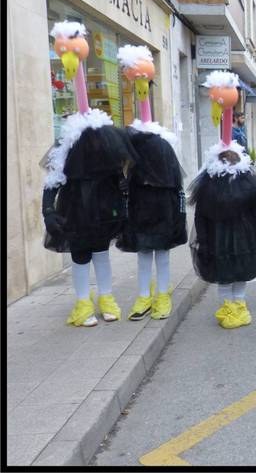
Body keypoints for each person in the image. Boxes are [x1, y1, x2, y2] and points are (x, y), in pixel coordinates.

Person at [42, 22, 138, 327]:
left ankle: (106, 297)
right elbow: (54, 176)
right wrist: (48, 209)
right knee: (80, 255)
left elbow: (117, 172)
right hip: (75, 206)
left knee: (100, 252)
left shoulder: (105, 136)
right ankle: (83, 302)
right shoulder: (67, 140)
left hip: (103, 206)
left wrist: (124, 198)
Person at [188, 71, 256, 329]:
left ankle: (229, 307)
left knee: (224, 273)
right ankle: (237, 306)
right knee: (239, 271)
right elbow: (254, 214)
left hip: (219, 239)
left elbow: (201, 215)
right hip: (241, 237)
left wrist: (203, 239)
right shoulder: (245, 183)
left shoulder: (210, 184)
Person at [115, 46, 187, 321]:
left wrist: (178, 211)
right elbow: (122, 171)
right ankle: (144, 295)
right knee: (144, 252)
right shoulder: (131, 142)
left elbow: (176, 181)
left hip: (162, 205)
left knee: (162, 253)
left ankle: (163, 294)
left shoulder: (163, 143)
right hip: (140, 205)